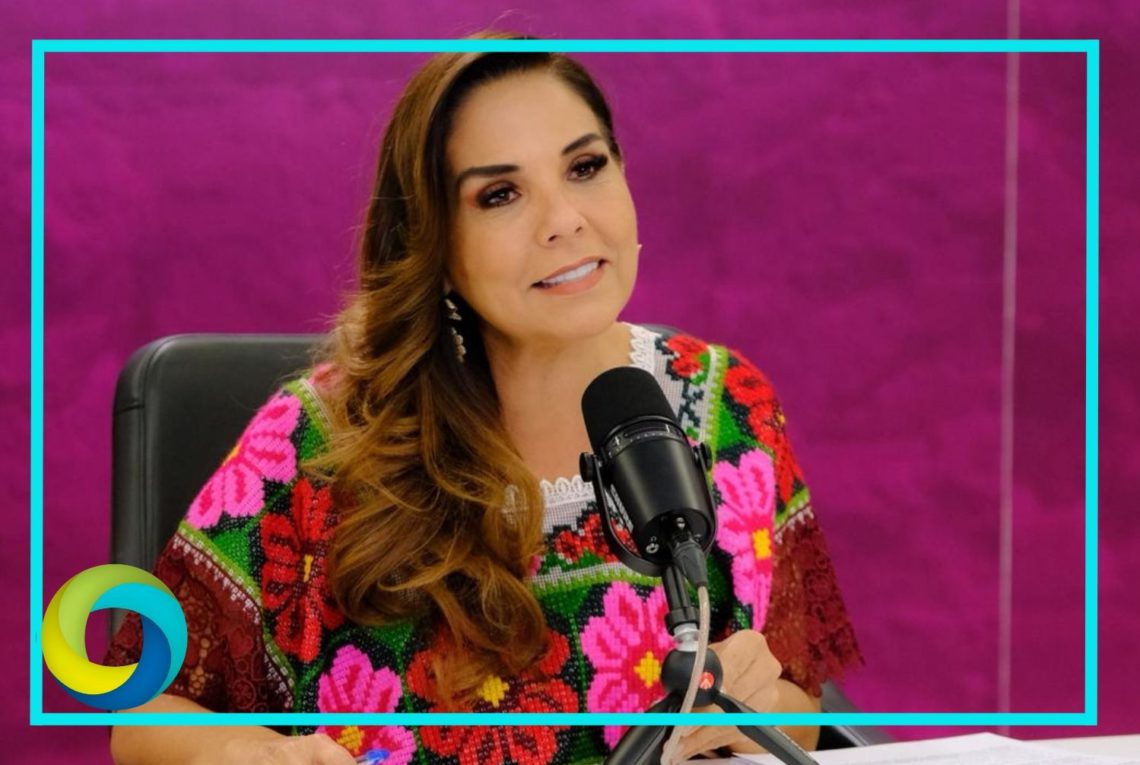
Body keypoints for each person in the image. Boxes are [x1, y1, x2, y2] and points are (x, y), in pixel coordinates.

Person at [107, 29, 863, 765]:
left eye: (586, 167)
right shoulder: (323, 437)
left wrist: (757, 708)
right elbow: (142, 715)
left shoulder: (730, 406)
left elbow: (799, 711)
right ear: (436, 244)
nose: (564, 221)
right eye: (500, 194)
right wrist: (259, 753)